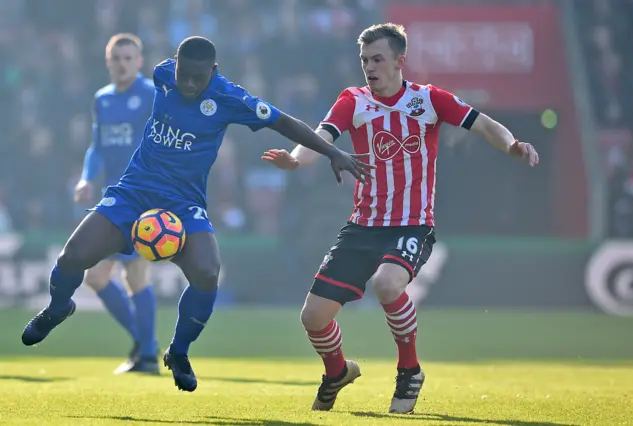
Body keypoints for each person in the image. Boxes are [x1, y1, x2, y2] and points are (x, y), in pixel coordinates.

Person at [21, 36, 372, 393]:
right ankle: (57, 308)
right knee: (72, 256)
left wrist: (331, 152)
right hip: (133, 192)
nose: (188, 83)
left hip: (183, 203)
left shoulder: (228, 97)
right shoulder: (162, 75)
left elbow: (284, 123)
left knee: (207, 273)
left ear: (213, 72)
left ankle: (179, 351)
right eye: (183, 75)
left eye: (197, 78)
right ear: (174, 66)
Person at [261, 23, 539, 414]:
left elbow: (485, 124)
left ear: (399, 61)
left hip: (412, 224)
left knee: (388, 284)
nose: (369, 68)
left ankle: (409, 370)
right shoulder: (353, 100)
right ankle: (337, 371)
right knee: (313, 317)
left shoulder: (429, 100)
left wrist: (511, 144)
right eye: (364, 60)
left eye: (377, 59)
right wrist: (295, 159)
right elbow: (322, 137)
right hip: (362, 225)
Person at [74, 33, 159, 375]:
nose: (122, 64)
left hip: (142, 196)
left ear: (139, 62)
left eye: (128, 58)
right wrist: (86, 178)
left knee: (135, 274)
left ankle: (148, 354)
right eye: (116, 58)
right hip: (113, 199)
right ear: (108, 62)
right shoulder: (103, 99)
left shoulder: (152, 95)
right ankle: (147, 347)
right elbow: (97, 146)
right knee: (96, 276)